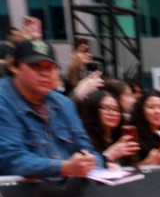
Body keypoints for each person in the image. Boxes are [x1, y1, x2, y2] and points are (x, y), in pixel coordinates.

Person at [0, 39, 101, 178]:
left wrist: (96, 162)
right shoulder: (3, 101)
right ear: (14, 67)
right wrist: (65, 167)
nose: (45, 73)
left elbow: (86, 150)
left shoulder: (65, 104)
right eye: (36, 67)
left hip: (65, 188)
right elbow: (11, 160)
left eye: (51, 68)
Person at [79, 89, 140, 167]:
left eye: (116, 109)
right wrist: (109, 155)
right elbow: (85, 167)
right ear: (93, 110)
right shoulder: (84, 139)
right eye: (105, 108)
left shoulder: (121, 137)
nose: (112, 113)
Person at [127, 89, 160, 166]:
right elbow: (127, 168)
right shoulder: (132, 136)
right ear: (141, 110)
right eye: (151, 107)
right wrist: (149, 162)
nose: (157, 111)